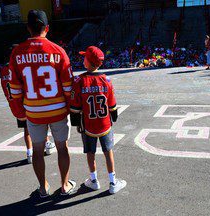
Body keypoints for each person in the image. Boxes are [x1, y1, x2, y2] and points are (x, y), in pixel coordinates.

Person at [8, 10, 76, 197]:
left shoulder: (17, 52)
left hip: (34, 112)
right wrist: (70, 108)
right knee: (62, 147)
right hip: (58, 110)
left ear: (28, 28)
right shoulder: (58, 51)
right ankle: (64, 185)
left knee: (37, 151)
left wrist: (20, 112)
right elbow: (68, 86)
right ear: (47, 28)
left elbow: (14, 88)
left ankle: (43, 187)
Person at [70, 46, 127, 194]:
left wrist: (76, 123)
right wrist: (113, 117)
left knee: (90, 153)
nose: (83, 59)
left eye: (84, 57)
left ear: (88, 61)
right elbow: (112, 105)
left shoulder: (79, 80)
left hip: (88, 124)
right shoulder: (106, 80)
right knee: (108, 152)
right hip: (105, 123)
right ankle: (113, 182)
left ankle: (94, 180)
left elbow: (75, 107)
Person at [0, 45, 55, 164]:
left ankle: (29, 152)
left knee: (26, 128)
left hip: (14, 105)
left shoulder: (4, 70)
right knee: (41, 123)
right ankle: (46, 144)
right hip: (26, 102)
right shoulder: (17, 67)